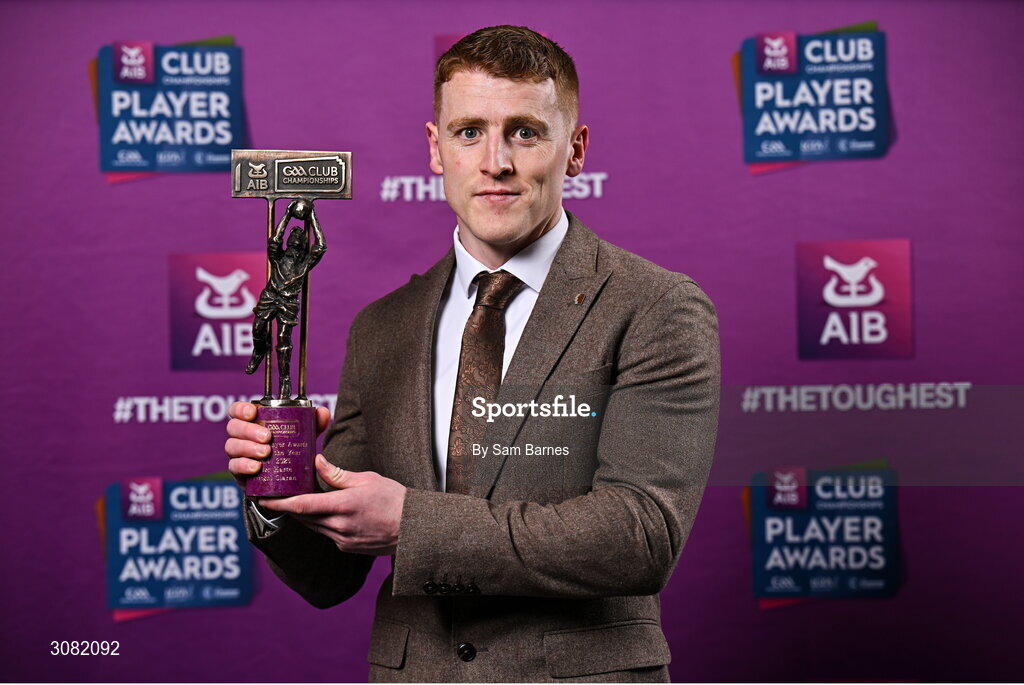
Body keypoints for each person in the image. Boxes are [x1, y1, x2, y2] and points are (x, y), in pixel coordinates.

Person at [225, 25, 719, 682]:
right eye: (469, 132)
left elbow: (640, 535)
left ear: (575, 150)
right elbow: (330, 576)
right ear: (435, 150)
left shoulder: (656, 306)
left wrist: (411, 525)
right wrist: (277, 488)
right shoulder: (383, 327)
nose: (495, 162)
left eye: (524, 131)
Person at [244, 198, 325, 399]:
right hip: (271, 296)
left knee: (283, 340)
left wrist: (312, 214)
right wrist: (288, 214)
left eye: (301, 236)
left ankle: (285, 380)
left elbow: (321, 246)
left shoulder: (305, 263)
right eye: (293, 234)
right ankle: (259, 350)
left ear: (304, 244)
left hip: (288, 303)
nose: (297, 236)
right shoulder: (277, 257)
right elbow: (274, 239)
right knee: (257, 328)